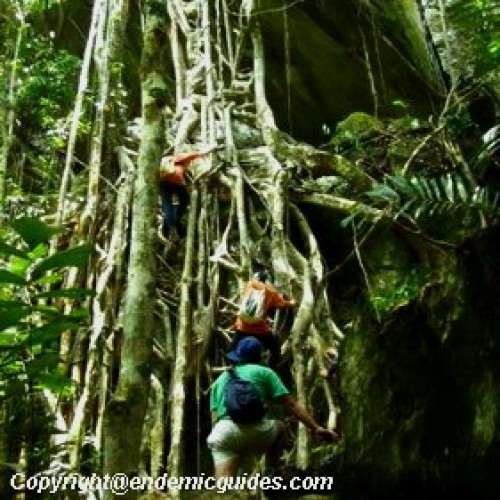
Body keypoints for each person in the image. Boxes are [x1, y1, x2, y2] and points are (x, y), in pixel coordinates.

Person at [207, 337, 336, 478]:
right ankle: (272, 474)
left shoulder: (219, 380)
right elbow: (291, 404)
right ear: (259, 355)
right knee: (280, 429)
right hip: (257, 431)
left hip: (224, 432)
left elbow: (215, 416)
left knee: (223, 487)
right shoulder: (264, 372)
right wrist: (315, 427)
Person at [232, 271, 296, 369]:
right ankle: (273, 367)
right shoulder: (271, 291)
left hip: (242, 326)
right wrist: (292, 303)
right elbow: (282, 304)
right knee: (274, 346)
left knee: (233, 348)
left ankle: (233, 367)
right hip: (260, 329)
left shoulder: (250, 284)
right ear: (267, 280)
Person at [158, 145, 219, 239]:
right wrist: (211, 149)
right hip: (176, 183)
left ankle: (170, 226)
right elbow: (194, 155)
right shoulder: (177, 157)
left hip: (164, 184)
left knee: (167, 205)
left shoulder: (163, 163)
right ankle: (174, 224)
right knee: (185, 201)